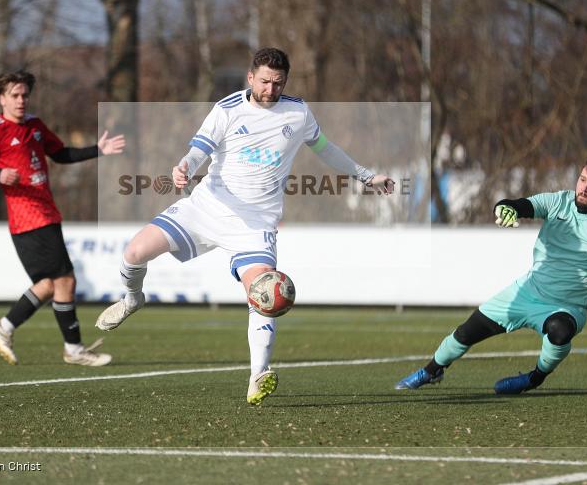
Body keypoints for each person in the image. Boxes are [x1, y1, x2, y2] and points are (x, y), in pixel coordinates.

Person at [95, 47, 395, 405]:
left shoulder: (297, 113)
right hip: (206, 208)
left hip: (255, 224)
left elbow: (326, 149)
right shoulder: (227, 109)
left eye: (278, 83)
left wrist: (365, 176)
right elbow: (198, 149)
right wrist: (184, 166)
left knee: (264, 295)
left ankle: (258, 376)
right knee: (134, 252)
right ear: (251, 77)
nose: (271, 89)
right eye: (265, 81)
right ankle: (132, 299)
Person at [395, 157, 587, 395]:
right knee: (465, 334)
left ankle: (534, 378)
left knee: (558, 331)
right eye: (582, 179)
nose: (583, 187)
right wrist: (505, 209)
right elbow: (520, 204)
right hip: (526, 292)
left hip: (567, 308)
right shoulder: (560, 202)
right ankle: (432, 370)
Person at [0, 70, 126, 367]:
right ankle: (73, 349)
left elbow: (61, 154)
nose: (21, 100)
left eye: (25, 94)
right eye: (14, 95)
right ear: (2, 98)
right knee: (65, 279)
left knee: (51, 285)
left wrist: (97, 150)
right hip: (28, 218)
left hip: (46, 213)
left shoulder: (35, 126)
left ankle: (6, 327)